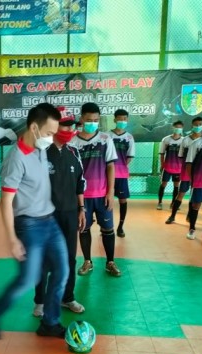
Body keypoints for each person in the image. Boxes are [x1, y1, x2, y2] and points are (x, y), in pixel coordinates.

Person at [0, 103, 69, 340]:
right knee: (28, 279)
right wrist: (12, 239)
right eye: (49, 133)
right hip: (29, 227)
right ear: (34, 128)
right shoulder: (15, 160)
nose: (51, 138)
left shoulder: (40, 149)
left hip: (49, 221)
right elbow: (6, 202)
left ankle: (50, 323)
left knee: (63, 271)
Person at [33, 106, 86, 317]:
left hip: (70, 214)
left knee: (69, 258)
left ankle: (68, 297)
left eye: (71, 126)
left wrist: (81, 209)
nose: (69, 129)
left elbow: (79, 185)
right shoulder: (39, 152)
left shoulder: (74, 153)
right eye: (64, 125)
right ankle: (40, 301)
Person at [72, 103, 121, 277]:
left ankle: (110, 262)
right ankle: (87, 262)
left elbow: (110, 167)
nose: (92, 123)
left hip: (102, 195)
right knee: (84, 229)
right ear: (81, 119)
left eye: (95, 120)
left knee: (108, 229)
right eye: (88, 120)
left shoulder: (105, 139)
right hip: (81, 196)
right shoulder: (73, 142)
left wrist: (110, 191)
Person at [166, 117, 202, 224]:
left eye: (200, 124)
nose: (198, 126)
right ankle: (172, 216)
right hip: (186, 172)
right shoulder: (185, 140)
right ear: (192, 126)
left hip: (199, 174)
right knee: (181, 193)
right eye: (195, 124)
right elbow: (181, 156)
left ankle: (190, 215)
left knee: (194, 195)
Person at [109, 109, 135, 237]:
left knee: (123, 201)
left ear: (127, 120)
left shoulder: (129, 137)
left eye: (124, 119)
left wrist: (120, 168)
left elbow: (129, 157)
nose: (122, 121)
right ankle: (107, 226)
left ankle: (120, 226)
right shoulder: (107, 136)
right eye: (119, 119)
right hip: (107, 176)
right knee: (106, 201)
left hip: (122, 176)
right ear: (114, 120)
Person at [158, 120, 184, 211]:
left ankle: (173, 203)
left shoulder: (184, 140)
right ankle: (160, 202)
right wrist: (162, 165)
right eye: (176, 127)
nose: (178, 129)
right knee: (163, 184)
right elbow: (161, 153)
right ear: (173, 128)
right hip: (167, 168)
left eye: (180, 127)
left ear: (182, 129)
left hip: (178, 169)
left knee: (176, 186)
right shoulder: (166, 139)